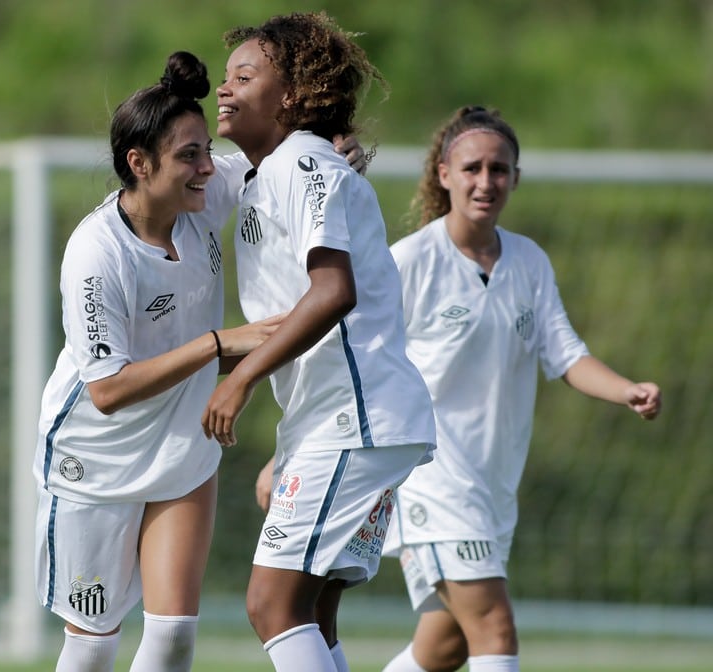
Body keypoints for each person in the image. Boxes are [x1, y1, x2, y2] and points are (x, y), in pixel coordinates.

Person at [33, 51, 366, 672]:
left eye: (207, 150)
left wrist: (333, 154)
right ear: (139, 163)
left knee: (173, 636)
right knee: (92, 644)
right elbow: (105, 389)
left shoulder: (205, 192)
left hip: (182, 449)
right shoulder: (95, 251)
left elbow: (286, 162)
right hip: (94, 460)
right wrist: (220, 344)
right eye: (189, 155)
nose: (208, 168)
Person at [378, 106, 663, 672]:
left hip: (492, 485)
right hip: (431, 476)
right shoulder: (411, 261)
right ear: (443, 174)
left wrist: (626, 389)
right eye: (472, 168)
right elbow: (358, 361)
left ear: (515, 177)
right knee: (494, 629)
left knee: (446, 645)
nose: (486, 182)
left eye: (500, 169)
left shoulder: (529, 261)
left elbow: (567, 354)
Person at [201, 13, 437, 672]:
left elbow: (334, 291)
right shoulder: (268, 172)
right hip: (345, 420)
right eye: (224, 78)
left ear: (293, 98)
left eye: (245, 77)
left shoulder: (304, 162)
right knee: (311, 609)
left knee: (270, 605)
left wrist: (240, 378)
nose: (225, 91)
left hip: (356, 420)